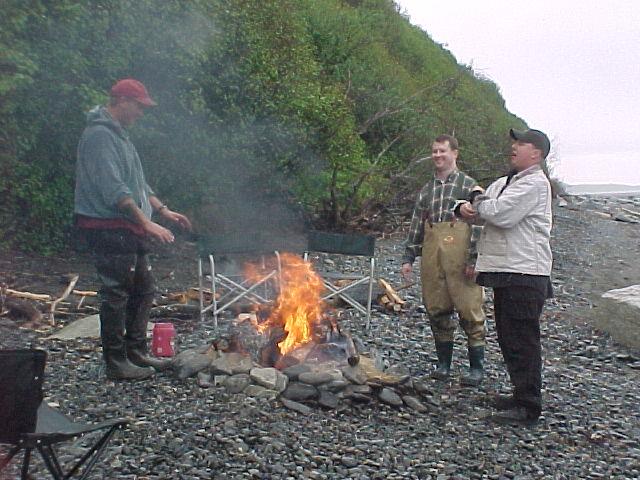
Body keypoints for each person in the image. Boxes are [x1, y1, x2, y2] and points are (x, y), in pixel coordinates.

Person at [74, 78, 192, 380]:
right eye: (139, 106)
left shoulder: (121, 136)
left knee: (144, 288)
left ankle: (136, 352)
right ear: (122, 100)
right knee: (116, 292)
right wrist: (146, 222)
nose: (141, 113)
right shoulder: (100, 135)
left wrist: (163, 211)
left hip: (127, 226)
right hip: (108, 226)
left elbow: (138, 183)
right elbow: (115, 189)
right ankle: (116, 362)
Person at [459, 128, 553, 426]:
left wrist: (477, 198)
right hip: (506, 270)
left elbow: (498, 213)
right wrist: (465, 207)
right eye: (514, 142)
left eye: (521, 143)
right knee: (508, 337)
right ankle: (519, 395)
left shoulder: (535, 184)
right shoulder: (507, 182)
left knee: (523, 339)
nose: (514, 147)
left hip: (525, 272)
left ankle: (528, 406)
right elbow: (481, 208)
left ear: (536, 153)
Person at [401, 134, 486, 386]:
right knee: (436, 308)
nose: (438, 156)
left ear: (455, 154)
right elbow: (416, 226)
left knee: (470, 309)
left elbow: (480, 224)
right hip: (432, 256)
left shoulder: (469, 185)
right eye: (434, 151)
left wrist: (474, 259)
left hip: (461, 259)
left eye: (443, 151)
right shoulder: (426, 191)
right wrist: (408, 258)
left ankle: (476, 369)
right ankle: (443, 365)